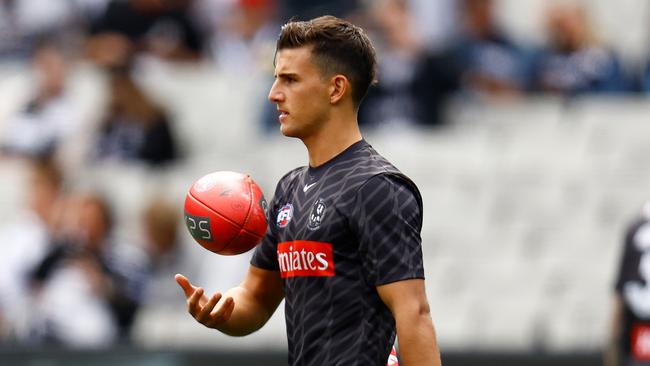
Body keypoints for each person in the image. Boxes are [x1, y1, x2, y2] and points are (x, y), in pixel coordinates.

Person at [175, 15, 441, 365]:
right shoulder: (289, 189)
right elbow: (255, 299)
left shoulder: (377, 187)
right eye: (275, 79)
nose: (273, 94)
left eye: (290, 79)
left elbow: (414, 313)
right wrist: (221, 313)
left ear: (336, 88)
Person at [608, 201, 650, 366]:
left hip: (640, 330)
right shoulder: (635, 230)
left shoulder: (634, 228)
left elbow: (622, 289)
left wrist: (613, 338)